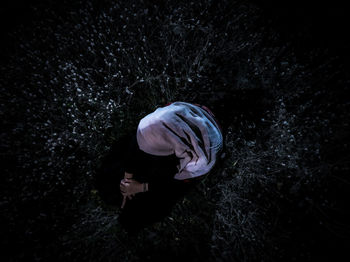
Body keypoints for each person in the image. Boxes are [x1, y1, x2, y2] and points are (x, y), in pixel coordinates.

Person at [94, 101, 223, 233]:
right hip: (195, 114)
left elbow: (172, 185)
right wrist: (130, 180)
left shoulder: (149, 137)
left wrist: (135, 184)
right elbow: (168, 181)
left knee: (170, 176)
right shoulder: (145, 127)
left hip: (207, 136)